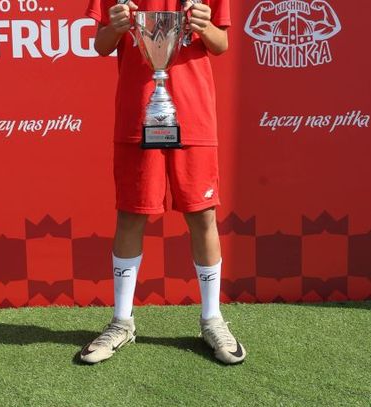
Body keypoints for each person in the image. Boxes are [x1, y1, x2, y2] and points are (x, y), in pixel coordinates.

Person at [80, 0, 246, 365]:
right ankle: (121, 321)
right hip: (137, 114)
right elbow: (101, 45)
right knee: (131, 214)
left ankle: (212, 319)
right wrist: (116, 27)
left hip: (194, 116)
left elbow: (221, 44)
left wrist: (204, 26)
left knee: (202, 215)